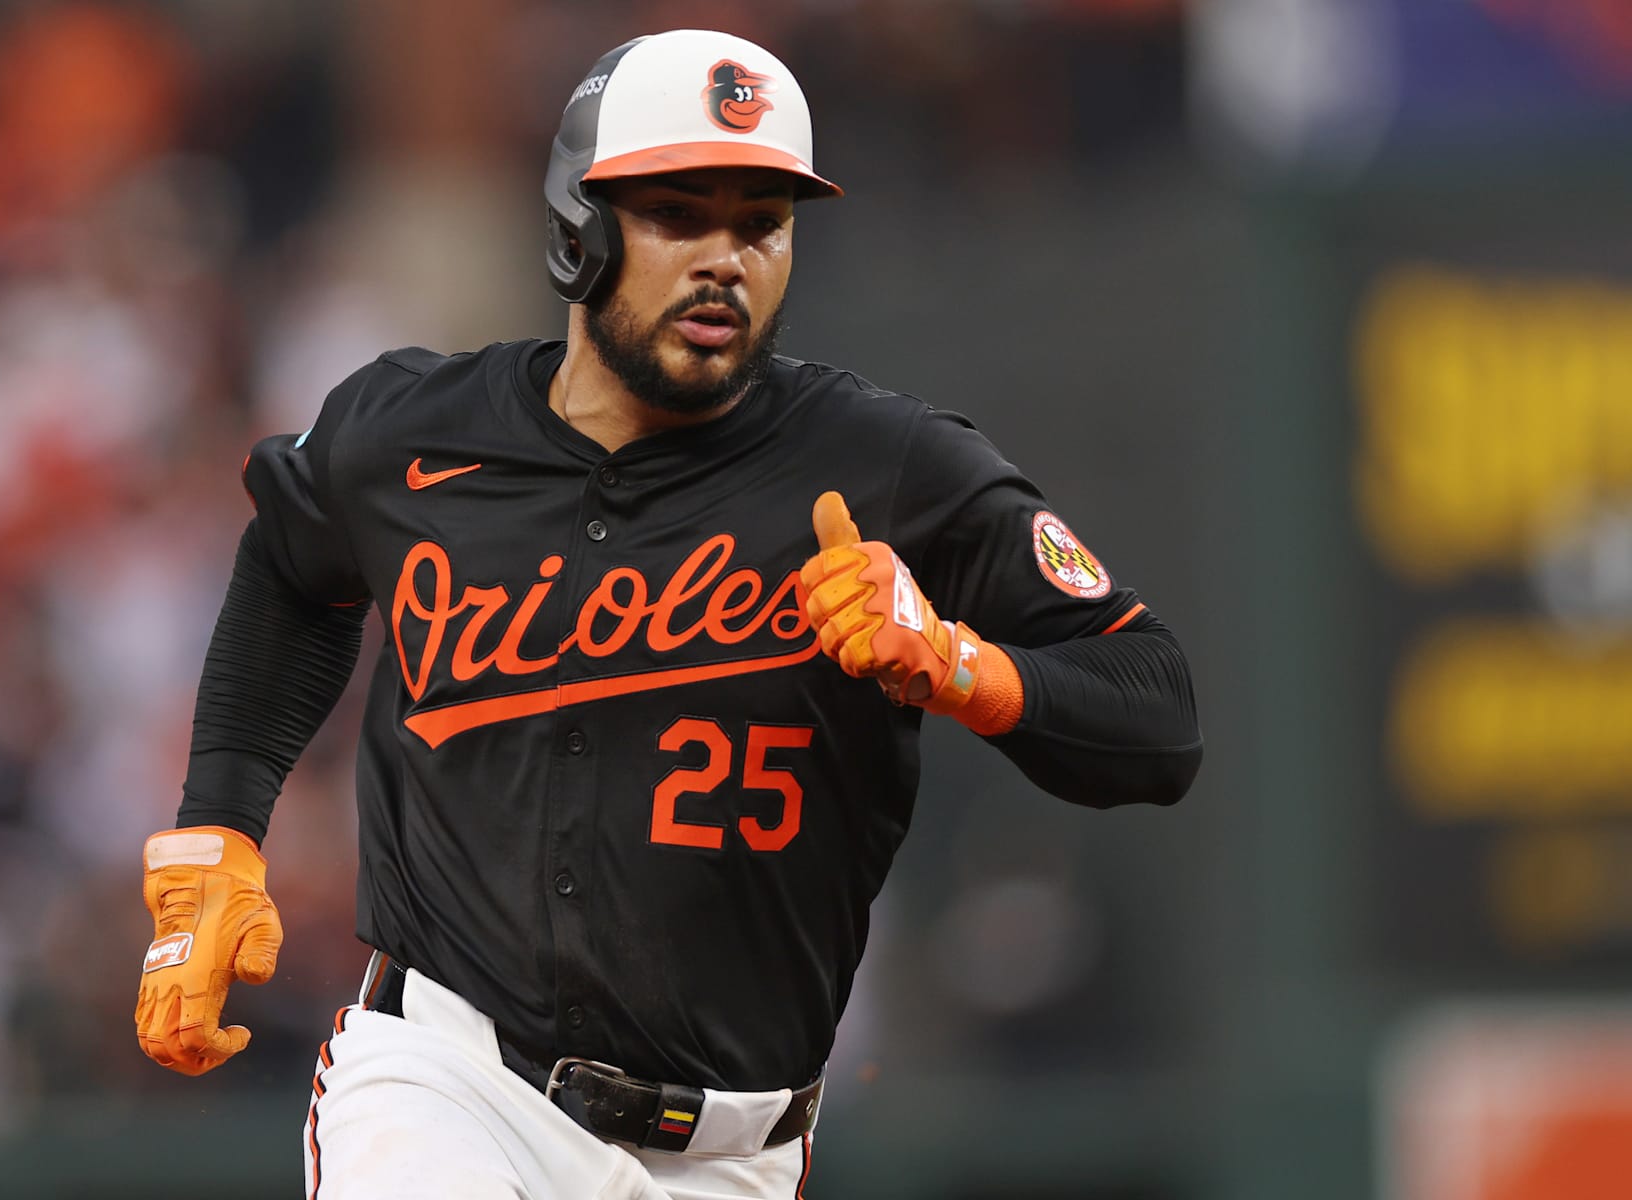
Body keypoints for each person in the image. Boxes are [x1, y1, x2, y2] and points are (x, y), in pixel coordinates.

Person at [134, 27, 1202, 1200]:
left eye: (761, 222)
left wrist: (961, 668)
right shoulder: (414, 433)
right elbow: (293, 564)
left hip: (733, 1152)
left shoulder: (891, 469)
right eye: (679, 214)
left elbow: (1157, 715)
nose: (726, 258)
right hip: (451, 1081)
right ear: (577, 227)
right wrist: (221, 830)